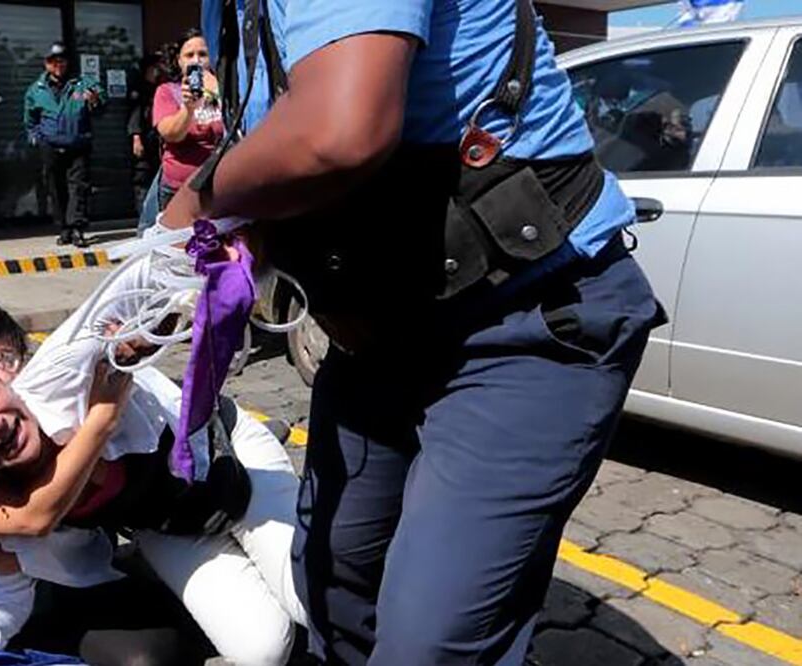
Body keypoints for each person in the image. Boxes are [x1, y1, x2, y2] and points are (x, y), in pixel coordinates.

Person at [161, 0, 667, 664]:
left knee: (430, 645)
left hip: (520, 320)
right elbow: (278, 147)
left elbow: (336, 132)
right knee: (333, 586)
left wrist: (191, 207)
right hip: (376, 335)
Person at [0, 297, 305, 665]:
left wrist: (139, 336)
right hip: (170, 525)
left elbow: (142, 293)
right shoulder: (6, 500)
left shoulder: (73, 377)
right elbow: (7, 591)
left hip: (230, 462)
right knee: (262, 650)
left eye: (5, 365)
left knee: (306, 595)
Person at [25, 42, 104, 248]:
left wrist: (95, 101)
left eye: (61, 60)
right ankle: (64, 228)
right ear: (46, 64)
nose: (58, 65)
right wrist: (36, 137)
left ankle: (77, 228)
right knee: (56, 186)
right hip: (50, 146)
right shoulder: (36, 89)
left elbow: (102, 108)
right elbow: (30, 119)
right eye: (53, 61)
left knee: (78, 187)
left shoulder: (83, 83)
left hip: (78, 143)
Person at [153, 29, 225, 211]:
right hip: (178, 188)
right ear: (179, 60)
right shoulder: (167, 91)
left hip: (219, 187)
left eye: (202, 54)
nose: (196, 60)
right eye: (189, 55)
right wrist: (188, 108)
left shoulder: (223, 89)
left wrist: (218, 92)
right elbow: (171, 134)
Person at [128, 52, 166, 220]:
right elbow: (134, 115)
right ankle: (144, 218)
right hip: (143, 140)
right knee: (142, 179)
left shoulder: (159, 89)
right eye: (154, 69)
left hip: (157, 142)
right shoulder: (139, 90)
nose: (157, 72)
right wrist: (136, 137)